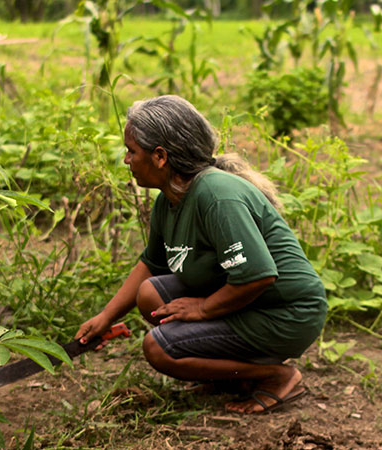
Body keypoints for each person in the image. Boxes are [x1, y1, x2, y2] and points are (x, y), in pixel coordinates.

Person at [75, 95, 327, 414]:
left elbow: (259, 275)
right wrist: (106, 317)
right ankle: (235, 376)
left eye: (131, 151)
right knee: (151, 295)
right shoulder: (169, 201)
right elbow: (150, 266)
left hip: (285, 313)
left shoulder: (217, 196)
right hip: (249, 302)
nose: (126, 160)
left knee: (159, 348)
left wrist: (204, 308)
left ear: (160, 157)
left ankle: (277, 376)